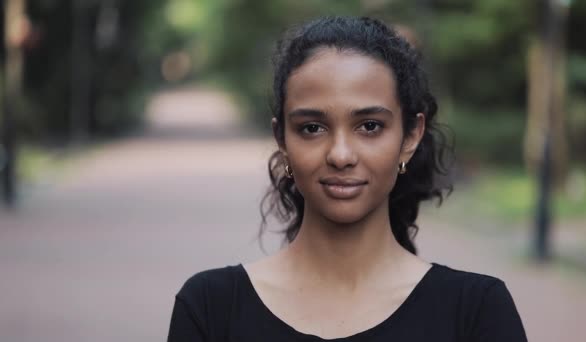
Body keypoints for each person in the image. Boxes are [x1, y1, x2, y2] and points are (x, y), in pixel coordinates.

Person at [167, 16, 527, 341]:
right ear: (282, 140)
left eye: (369, 126)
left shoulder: (476, 312)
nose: (340, 154)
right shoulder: (210, 308)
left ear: (410, 137)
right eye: (312, 127)